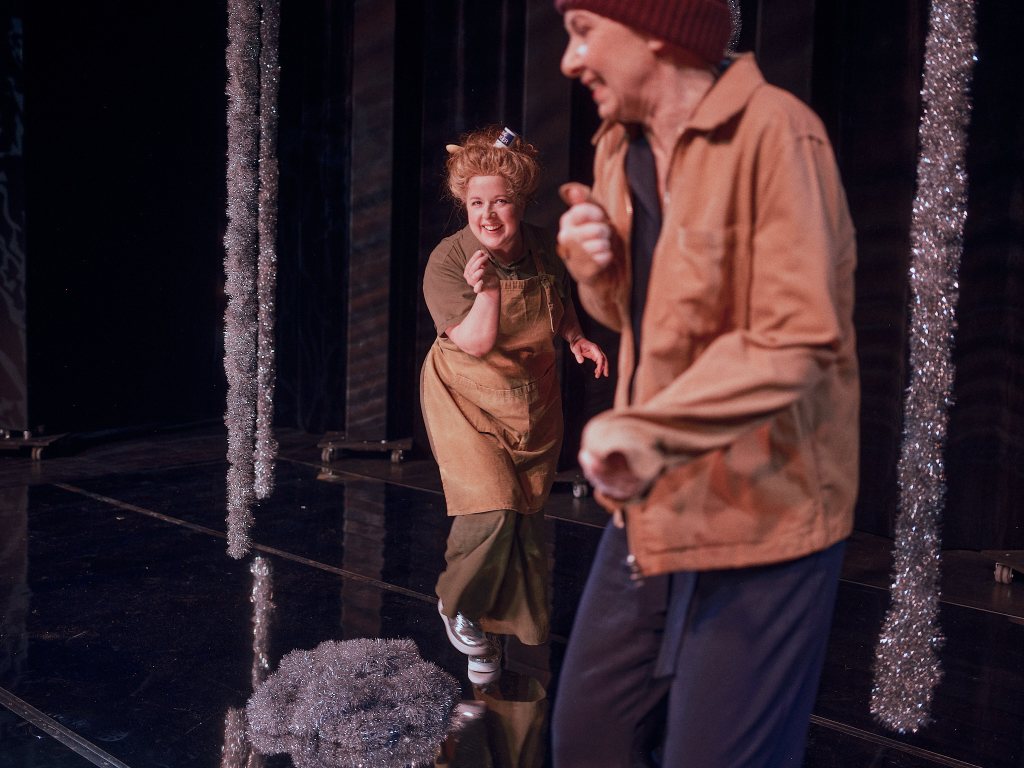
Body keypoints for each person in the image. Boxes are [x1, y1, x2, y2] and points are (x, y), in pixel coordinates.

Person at [549, 1, 859, 766]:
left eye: (584, 31)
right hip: (653, 504)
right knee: (587, 742)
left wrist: (643, 430)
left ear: (657, 29)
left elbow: (795, 335)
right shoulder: (618, 147)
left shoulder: (777, 132)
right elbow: (640, 315)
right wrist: (593, 274)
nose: (569, 60)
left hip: (764, 512)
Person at [420, 126, 608, 687]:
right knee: (491, 507)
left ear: (521, 202)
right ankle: (457, 603)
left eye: (500, 201)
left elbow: (558, 300)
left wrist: (576, 338)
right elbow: (477, 342)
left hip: (530, 400)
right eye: (476, 203)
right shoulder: (448, 261)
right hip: (465, 396)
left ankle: (488, 638)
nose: (488, 215)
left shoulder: (543, 245)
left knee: (523, 522)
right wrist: (487, 291)